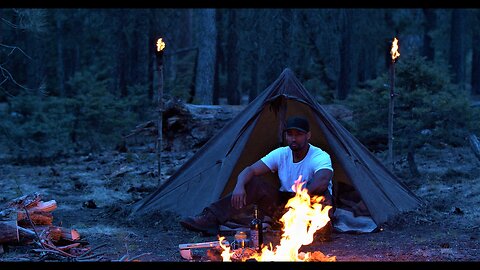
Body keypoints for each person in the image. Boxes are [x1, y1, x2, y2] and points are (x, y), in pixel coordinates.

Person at [180, 115, 334, 240]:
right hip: (284, 203)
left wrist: (300, 199)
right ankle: (210, 219)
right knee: (253, 183)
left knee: (323, 196)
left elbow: (322, 181)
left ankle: (315, 228)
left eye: (299, 134)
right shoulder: (281, 153)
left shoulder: (319, 156)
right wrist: (239, 186)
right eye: (290, 134)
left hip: (309, 201)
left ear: (308, 135)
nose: (294, 139)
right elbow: (250, 170)